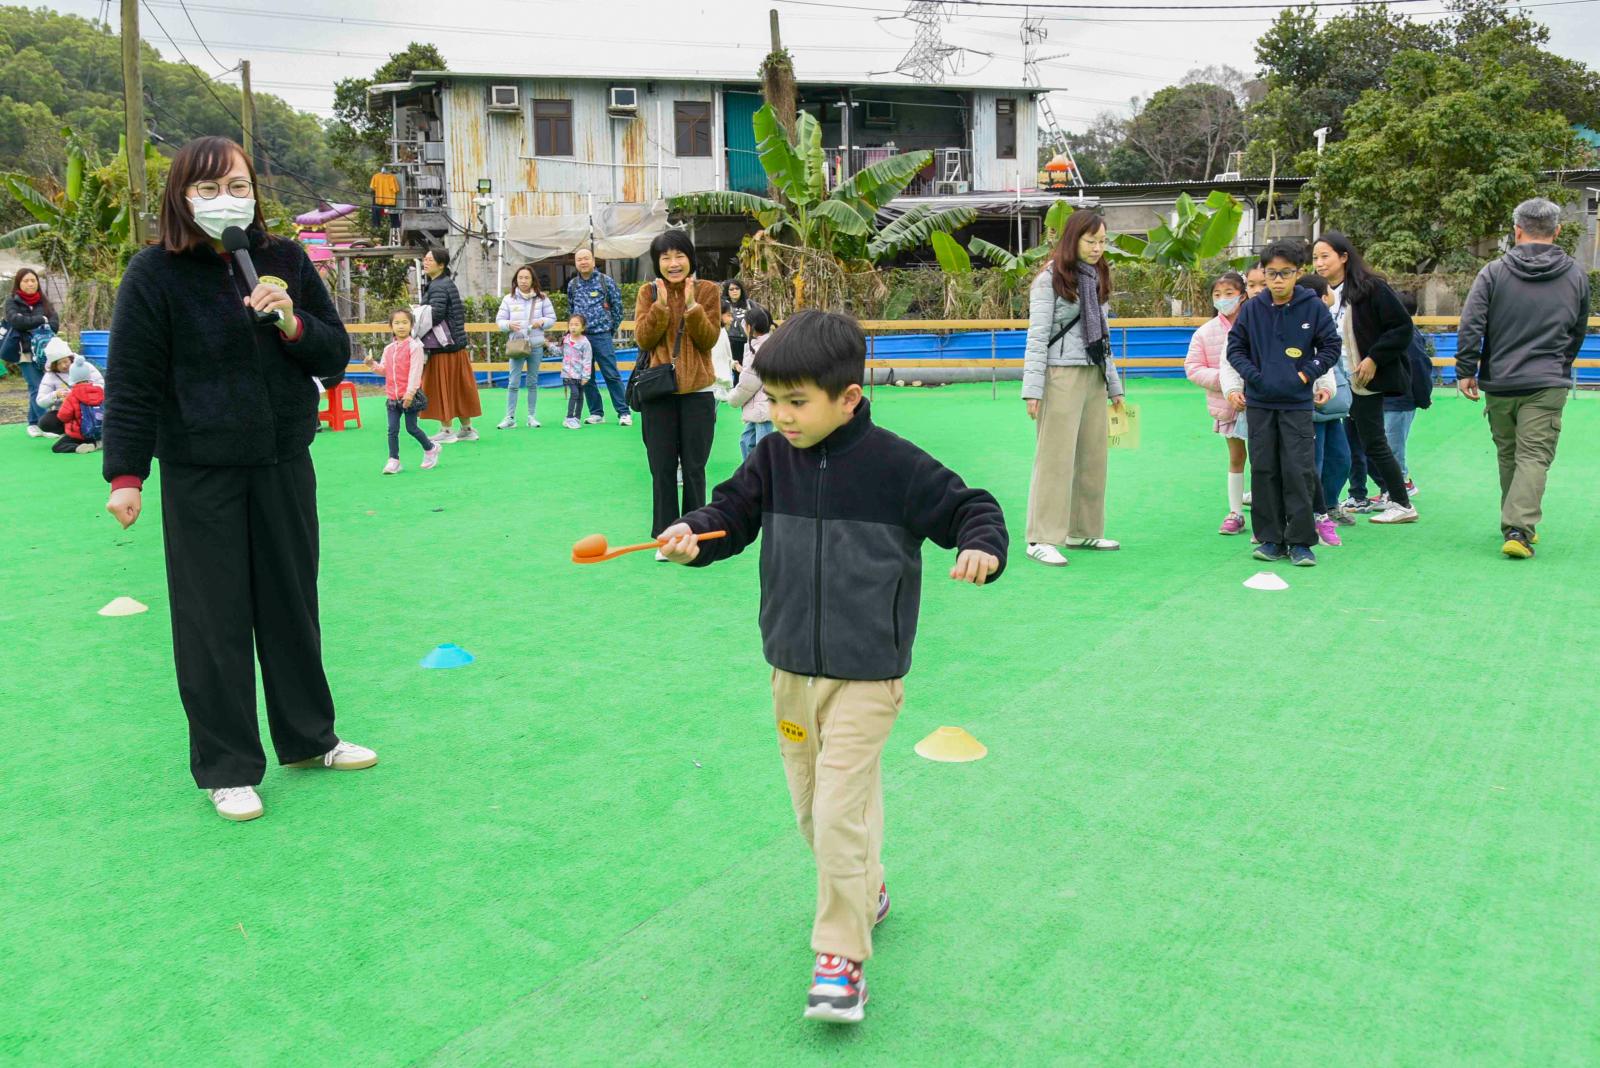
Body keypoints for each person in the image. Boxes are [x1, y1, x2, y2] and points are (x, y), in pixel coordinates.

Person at [655, 310, 1008, 1025]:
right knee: (813, 812)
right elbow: (732, 512)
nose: (780, 416)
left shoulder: (895, 466)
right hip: (790, 669)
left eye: (796, 401)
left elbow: (972, 507)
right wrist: (695, 533)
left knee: (839, 811)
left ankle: (840, 959)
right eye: (773, 400)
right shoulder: (772, 460)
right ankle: (866, 890)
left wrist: (982, 546)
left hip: (868, 675)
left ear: (848, 398)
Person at [101, 136, 376, 823]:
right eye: (209, 188)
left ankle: (310, 739)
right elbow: (132, 378)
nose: (226, 199)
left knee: (292, 605)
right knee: (212, 619)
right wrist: (126, 473)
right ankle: (226, 767)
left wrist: (290, 320)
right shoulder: (154, 273)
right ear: (182, 196)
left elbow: (335, 354)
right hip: (201, 470)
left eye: (238, 185)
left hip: (283, 460)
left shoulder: (285, 261)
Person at [1456, 197, 1591, 559]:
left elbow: (1472, 322)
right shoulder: (1576, 275)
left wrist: (1466, 369)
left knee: (1509, 454)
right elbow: (1577, 329)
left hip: (1500, 379)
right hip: (1547, 380)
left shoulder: (1493, 272)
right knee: (1533, 455)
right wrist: (1561, 363)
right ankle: (1518, 527)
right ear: (1557, 231)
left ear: (1517, 231)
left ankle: (1516, 522)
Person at [1225, 240, 1340, 567]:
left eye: (1285, 273)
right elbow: (1235, 349)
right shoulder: (1252, 309)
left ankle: (1301, 542)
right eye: (1272, 273)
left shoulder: (1312, 307)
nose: (1278, 280)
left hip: (1297, 404)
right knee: (1264, 469)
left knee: (1298, 470)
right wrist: (1254, 377)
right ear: (1263, 273)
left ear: (1298, 273)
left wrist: (1306, 374)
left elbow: (1330, 347)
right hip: (1260, 404)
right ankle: (1270, 539)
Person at [1021, 210, 1125, 566]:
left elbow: (1104, 336)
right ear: (1073, 239)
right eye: (1091, 241)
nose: (1098, 248)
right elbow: (1037, 336)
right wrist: (1033, 389)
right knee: (1055, 459)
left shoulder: (1098, 276)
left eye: (1102, 241)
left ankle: (1083, 530)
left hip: (1093, 373)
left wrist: (1114, 386)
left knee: (1093, 457)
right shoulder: (1048, 279)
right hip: (1059, 374)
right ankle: (1040, 538)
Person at [1311, 232, 1417, 525]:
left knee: (1373, 442)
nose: (1319, 263)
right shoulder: (1320, 293)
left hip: (1361, 379)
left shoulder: (1371, 288)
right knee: (1345, 445)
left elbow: (1401, 327)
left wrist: (1374, 358)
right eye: (1315, 258)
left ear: (1344, 257)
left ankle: (1401, 502)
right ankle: (1341, 500)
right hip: (1334, 380)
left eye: (1325, 256)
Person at [632, 230, 722, 546]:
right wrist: (660, 307)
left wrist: (692, 306)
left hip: (698, 393)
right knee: (662, 469)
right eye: (666, 257)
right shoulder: (647, 292)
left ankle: (694, 533)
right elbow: (643, 339)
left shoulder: (708, 290)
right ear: (657, 262)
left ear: (690, 258)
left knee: (695, 468)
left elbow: (708, 339)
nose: (673, 263)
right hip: (659, 394)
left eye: (679, 256)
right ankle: (665, 538)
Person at [1183, 270, 1249, 535]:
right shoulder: (1205, 332)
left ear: (1242, 295)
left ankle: (1268, 508)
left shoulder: (1258, 323)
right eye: (1217, 295)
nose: (1223, 299)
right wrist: (1226, 383)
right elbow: (1193, 367)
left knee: (1265, 458)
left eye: (1229, 293)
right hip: (1228, 406)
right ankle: (1235, 512)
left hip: (1262, 402)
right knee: (1236, 456)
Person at [365, 307, 440, 475]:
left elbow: (415, 372)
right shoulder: (388, 349)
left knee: (411, 428)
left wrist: (410, 394)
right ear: (391, 326)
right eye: (397, 323)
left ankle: (430, 448)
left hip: (409, 396)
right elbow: (385, 370)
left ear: (411, 325)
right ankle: (394, 460)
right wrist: (372, 365)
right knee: (392, 430)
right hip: (392, 397)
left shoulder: (415, 347)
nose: (401, 326)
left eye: (405, 322)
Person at [419, 246, 480, 444]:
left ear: (441, 265)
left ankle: (446, 430)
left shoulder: (437, 285)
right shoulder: (446, 283)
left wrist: (414, 320)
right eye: (425, 259)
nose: (425, 262)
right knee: (459, 388)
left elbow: (434, 315)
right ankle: (467, 429)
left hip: (443, 346)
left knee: (443, 387)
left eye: (430, 260)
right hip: (455, 345)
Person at [566, 247, 632, 426]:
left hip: (602, 336)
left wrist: (609, 329)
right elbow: (571, 310)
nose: (583, 262)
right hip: (581, 338)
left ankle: (623, 412)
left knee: (611, 374)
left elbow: (617, 308)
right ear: (576, 263)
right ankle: (596, 413)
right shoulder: (572, 285)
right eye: (579, 259)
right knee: (587, 377)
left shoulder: (605, 281)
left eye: (586, 258)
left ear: (594, 261)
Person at [1382, 291, 1434, 499]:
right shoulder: (1392, 331)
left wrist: (1423, 396)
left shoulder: (1409, 335)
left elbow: (1420, 366)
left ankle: (1401, 486)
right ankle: (1393, 486)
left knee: (1393, 446)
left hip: (1401, 400)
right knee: (1386, 444)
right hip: (1388, 398)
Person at [495, 264, 554, 430]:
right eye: (520, 277)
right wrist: (508, 325)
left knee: (532, 382)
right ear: (516, 280)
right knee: (513, 382)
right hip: (517, 346)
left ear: (532, 280)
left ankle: (531, 417)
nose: (523, 281)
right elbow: (499, 321)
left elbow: (551, 318)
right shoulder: (508, 299)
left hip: (536, 345)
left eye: (527, 277)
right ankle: (510, 417)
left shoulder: (542, 298)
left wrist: (542, 322)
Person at [5, 266, 61, 437]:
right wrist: (41, 320)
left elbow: (54, 325)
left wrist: (30, 322)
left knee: (41, 386)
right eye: (26, 281)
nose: (30, 284)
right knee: (37, 386)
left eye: (33, 280)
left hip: (45, 352)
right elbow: (15, 321)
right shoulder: (12, 301)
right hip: (25, 351)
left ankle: (33, 423)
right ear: (19, 283)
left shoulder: (45, 302)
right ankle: (46, 425)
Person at [725, 304, 775, 460]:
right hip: (759, 406)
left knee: (760, 449)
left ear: (749, 327)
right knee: (747, 442)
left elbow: (748, 383)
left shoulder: (759, 349)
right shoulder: (761, 345)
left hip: (762, 406)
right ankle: (751, 472)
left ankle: (761, 474)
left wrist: (732, 398)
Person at [34, 337, 104, 430]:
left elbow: (101, 385)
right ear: (53, 365)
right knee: (46, 422)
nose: (63, 366)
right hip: (66, 409)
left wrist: (83, 392)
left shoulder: (85, 366)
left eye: (65, 361)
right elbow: (41, 401)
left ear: (71, 358)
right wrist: (55, 395)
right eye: (58, 364)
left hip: (90, 408)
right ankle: (71, 431)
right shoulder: (50, 376)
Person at [50, 357, 106, 455]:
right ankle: (97, 443)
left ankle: (77, 447)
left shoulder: (72, 395)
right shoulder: (100, 391)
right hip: (99, 432)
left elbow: (63, 416)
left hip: (80, 433)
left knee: (57, 447)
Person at [560, 314, 593, 429]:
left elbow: (587, 360)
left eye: (576, 325)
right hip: (568, 374)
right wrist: (548, 345)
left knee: (580, 396)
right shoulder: (565, 340)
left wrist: (586, 376)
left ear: (583, 328)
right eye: (571, 325)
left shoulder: (585, 343)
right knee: (574, 393)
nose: (573, 327)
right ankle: (569, 418)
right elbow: (559, 352)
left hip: (580, 375)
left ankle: (577, 418)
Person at [722, 278, 750, 377]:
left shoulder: (749, 304)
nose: (734, 291)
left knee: (745, 370)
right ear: (727, 291)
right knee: (731, 369)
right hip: (729, 341)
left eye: (737, 288)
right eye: (731, 289)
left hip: (746, 342)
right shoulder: (723, 305)